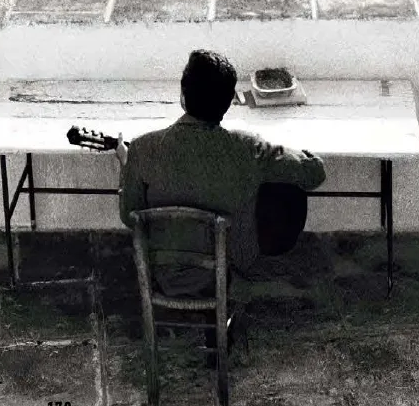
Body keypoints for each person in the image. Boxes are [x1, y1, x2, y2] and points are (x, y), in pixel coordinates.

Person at [117, 49, 326, 297]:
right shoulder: (247, 147)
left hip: (165, 273)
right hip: (229, 267)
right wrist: (289, 154)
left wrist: (127, 166)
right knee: (280, 187)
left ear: (183, 95)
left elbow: (130, 216)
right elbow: (314, 173)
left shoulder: (142, 148)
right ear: (227, 103)